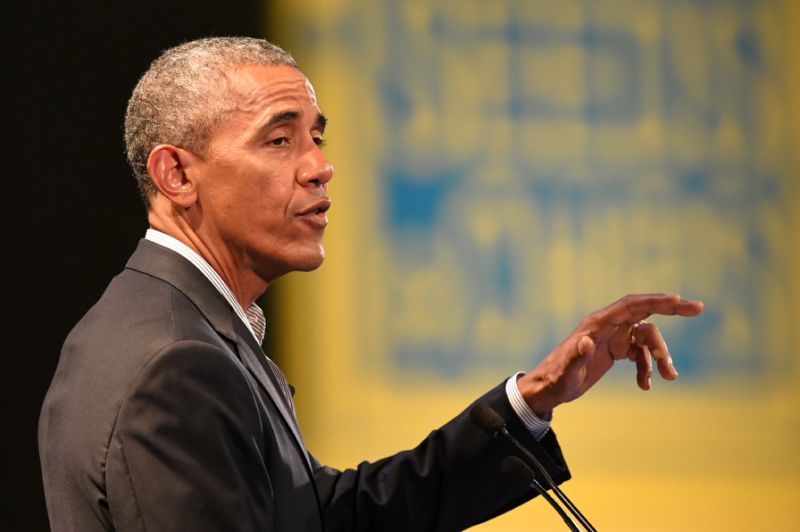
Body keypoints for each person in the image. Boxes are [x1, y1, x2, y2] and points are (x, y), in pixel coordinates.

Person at [38, 37, 703, 532]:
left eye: (317, 138)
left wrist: (527, 403)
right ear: (177, 175)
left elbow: (321, 518)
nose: (321, 168)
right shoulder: (175, 363)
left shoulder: (177, 325)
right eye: (278, 140)